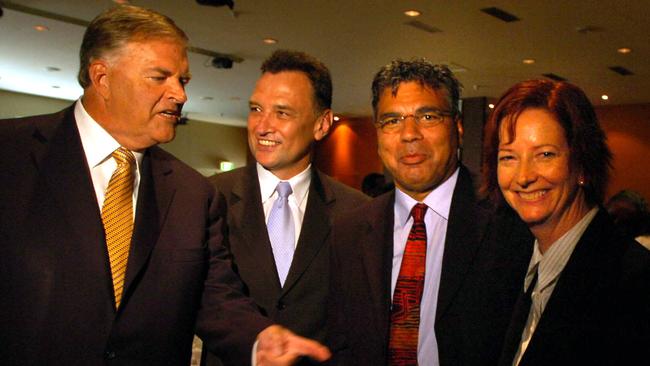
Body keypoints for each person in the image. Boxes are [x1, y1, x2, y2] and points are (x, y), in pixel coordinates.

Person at [0, 5, 329, 366]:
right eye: (160, 77)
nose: (180, 95)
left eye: (183, 80)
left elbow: (214, 294)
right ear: (102, 77)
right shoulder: (11, 156)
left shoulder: (193, 194)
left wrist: (257, 340)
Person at [328, 59, 531, 365]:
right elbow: (340, 342)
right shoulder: (350, 231)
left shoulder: (509, 220)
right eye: (392, 120)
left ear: (458, 127)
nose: (409, 134)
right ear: (379, 136)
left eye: (427, 116)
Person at [202, 50, 368, 366]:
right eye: (255, 109)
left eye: (282, 113)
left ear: (321, 124)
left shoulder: (357, 212)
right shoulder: (209, 197)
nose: (262, 126)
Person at [481, 79, 650, 365]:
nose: (523, 176)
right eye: (508, 157)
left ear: (582, 163)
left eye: (545, 154)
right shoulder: (512, 266)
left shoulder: (634, 280)